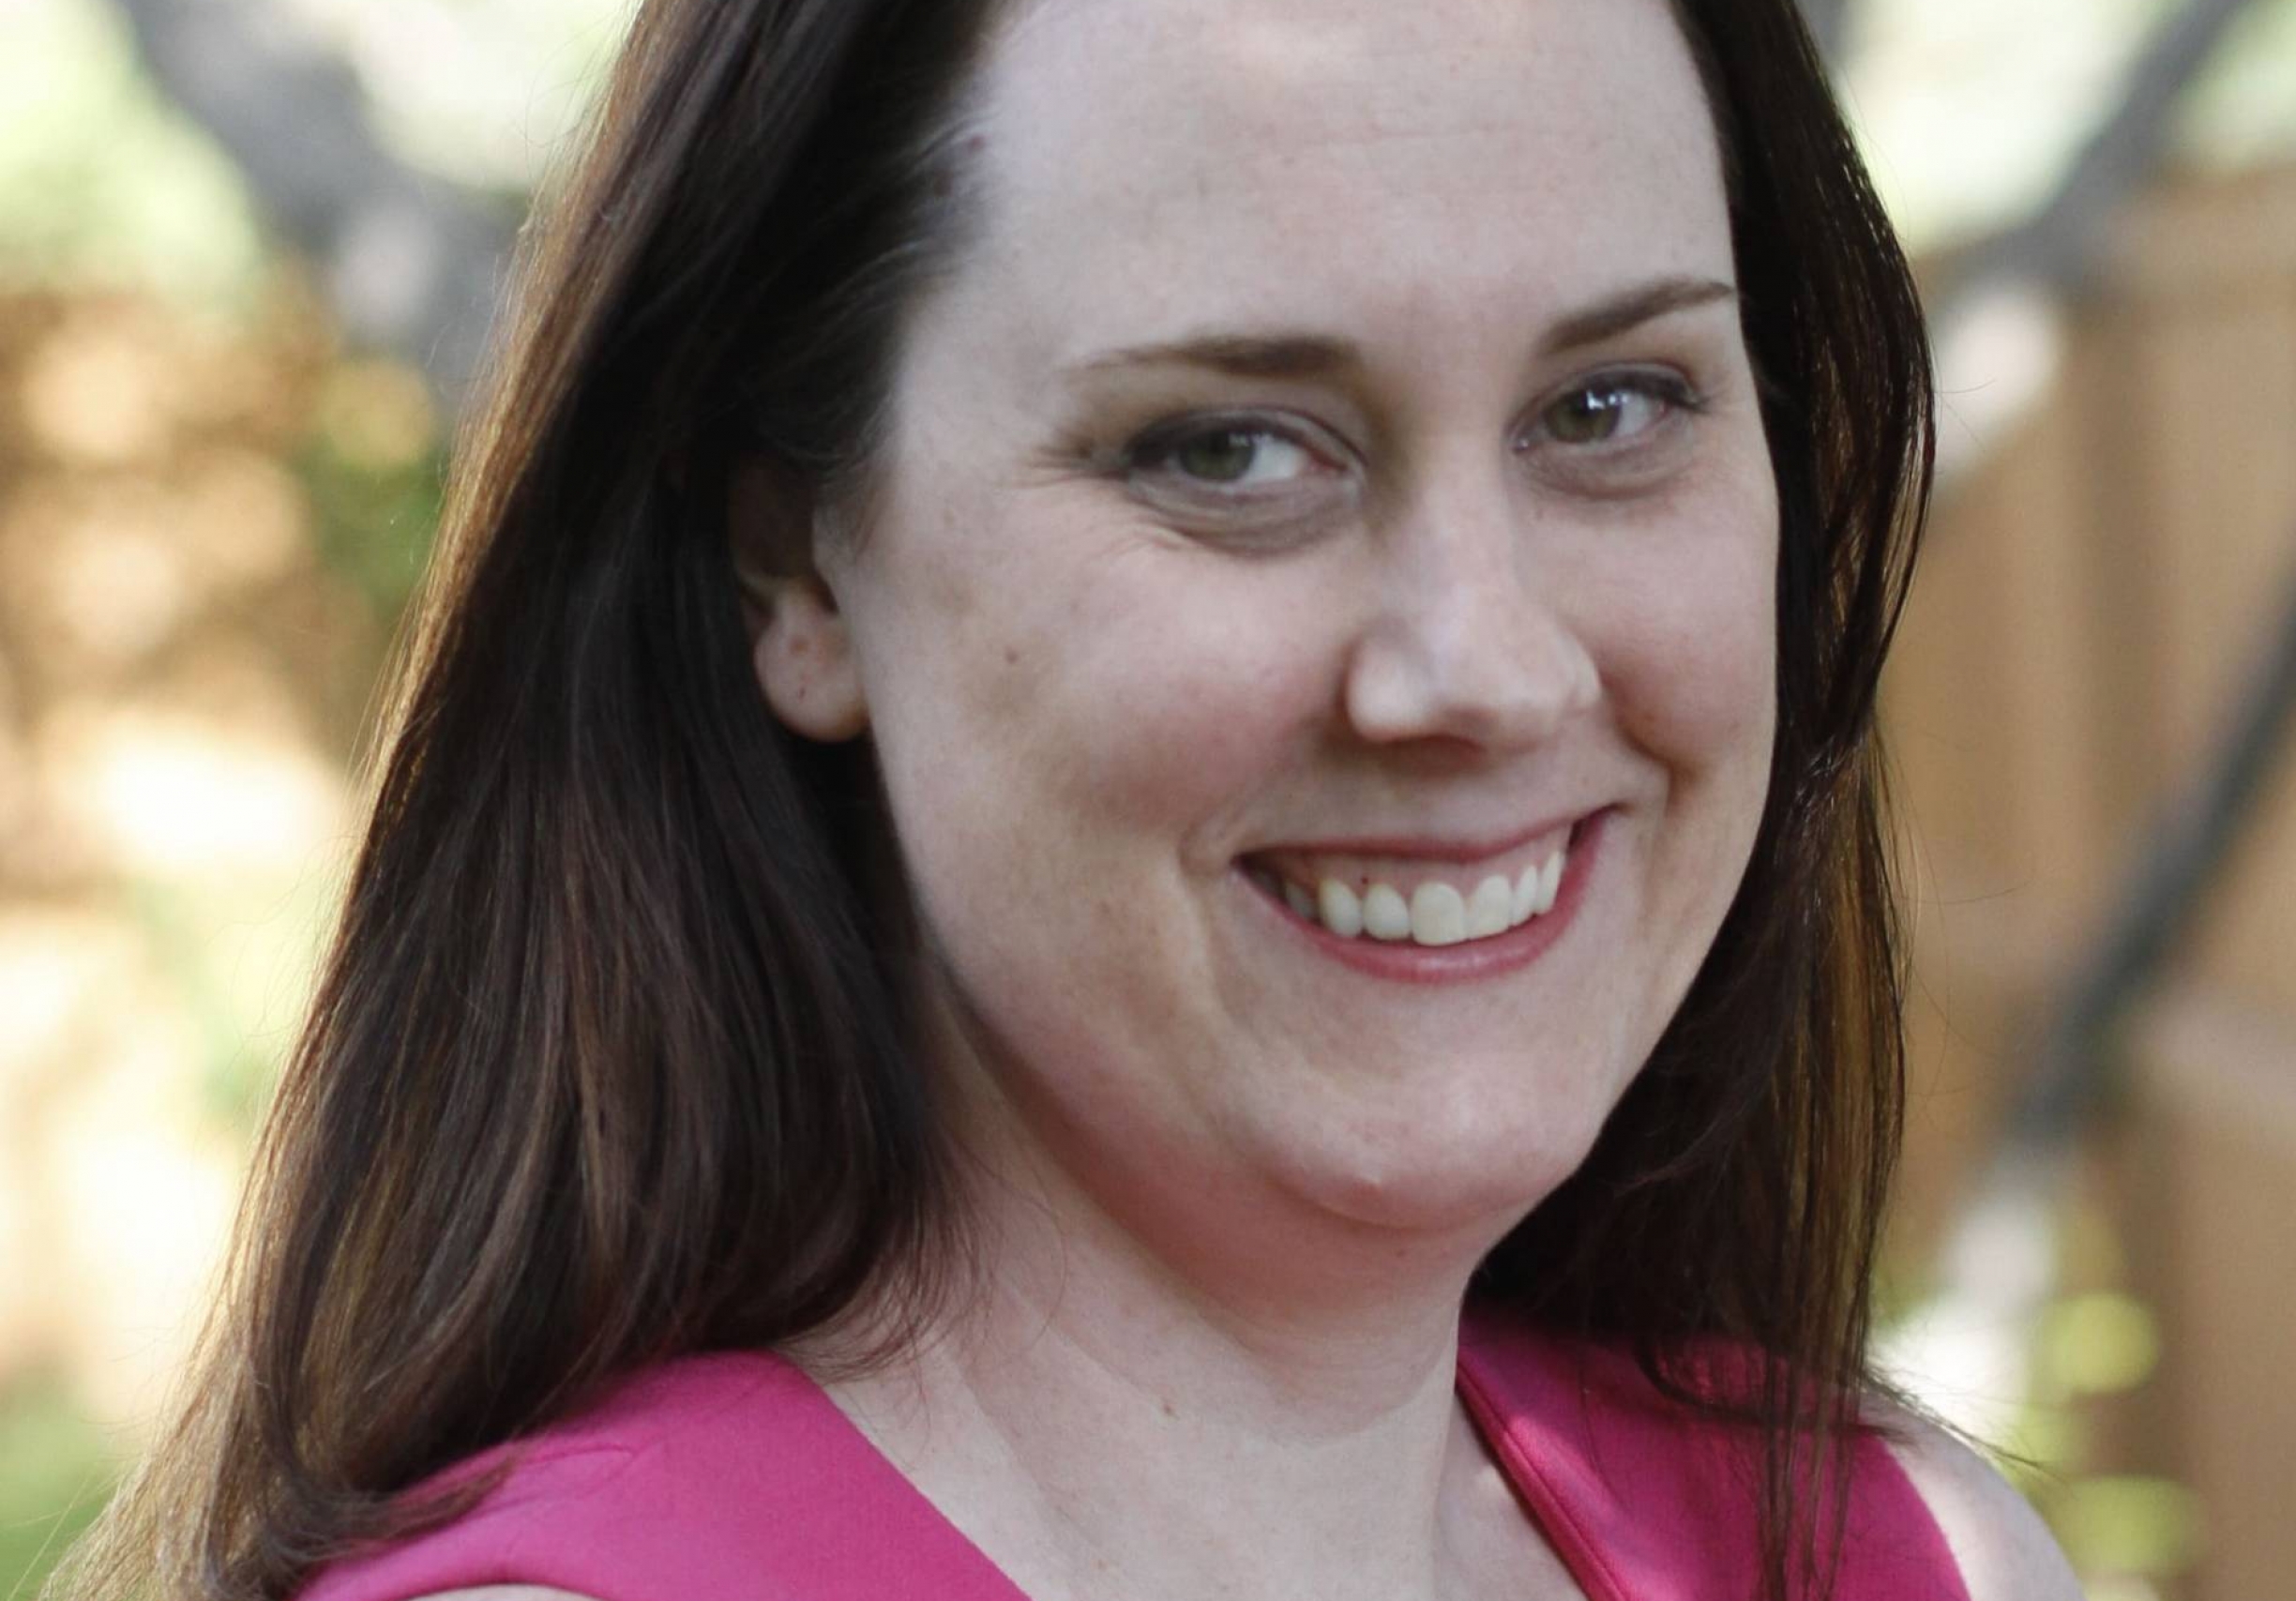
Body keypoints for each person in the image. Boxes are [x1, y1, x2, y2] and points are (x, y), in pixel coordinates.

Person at [53, 0, 2085, 1596]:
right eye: (1225, 449)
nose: (1482, 663)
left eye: (1606, 406)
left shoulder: (1910, 1556)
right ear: (795, 565)